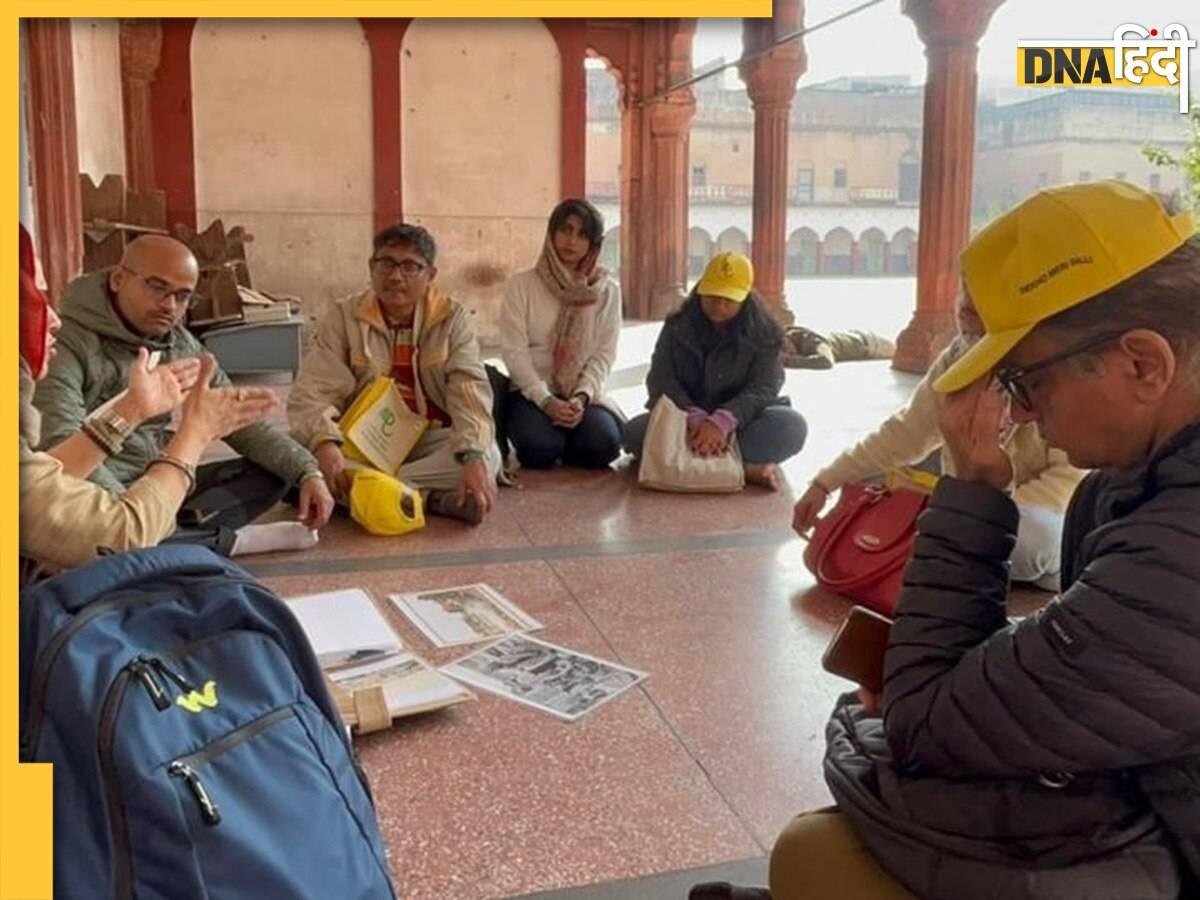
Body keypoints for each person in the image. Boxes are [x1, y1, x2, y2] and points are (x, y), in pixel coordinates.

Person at [764, 181, 1200, 899]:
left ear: (1143, 365)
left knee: (820, 857)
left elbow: (925, 724)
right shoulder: (1130, 484)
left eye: (1025, 381)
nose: (1020, 415)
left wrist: (971, 487)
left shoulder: (1179, 553)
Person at [33, 235, 333, 554]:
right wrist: (129, 513)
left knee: (276, 471)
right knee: (106, 534)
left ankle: (173, 542)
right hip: (94, 490)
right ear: (119, 279)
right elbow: (59, 442)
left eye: (183, 296)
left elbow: (234, 416)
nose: (170, 306)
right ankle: (217, 542)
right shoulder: (65, 342)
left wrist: (307, 471)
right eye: (157, 287)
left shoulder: (178, 342)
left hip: (158, 476)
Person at [792, 293, 1084, 590]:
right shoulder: (959, 356)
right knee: (874, 488)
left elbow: (1068, 482)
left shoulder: (1050, 363)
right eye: (965, 295)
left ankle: (960, 556)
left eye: (979, 297)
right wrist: (825, 482)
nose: (966, 308)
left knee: (1032, 542)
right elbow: (905, 434)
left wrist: (984, 516)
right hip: (971, 512)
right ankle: (954, 555)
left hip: (1034, 517)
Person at [287, 224, 500, 525]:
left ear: (431, 275)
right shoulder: (344, 316)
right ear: (371, 267)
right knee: (300, 457)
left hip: (429, 437)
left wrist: (472, 456)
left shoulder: (452, 319)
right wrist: (325, 443)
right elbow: (314, 389)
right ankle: (428, 498)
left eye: (410, 266)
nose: (396, 276)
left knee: (487, 455)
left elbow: (469, 389)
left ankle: (374, 490)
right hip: (363, 443)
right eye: (386, 263)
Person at [623, 252, 807, 491]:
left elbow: (764, 387)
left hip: (740, 425)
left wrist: (723, 421)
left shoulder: (764, 333)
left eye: (728, 300)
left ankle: (694, 465)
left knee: (791, 426)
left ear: (745, 299)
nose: (719, 306)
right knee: (633, 433)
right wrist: (694, 418)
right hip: (685, 420)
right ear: (700, 291)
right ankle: (742, 469)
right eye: (712, 297)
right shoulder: (677, 327)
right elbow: (661, 379)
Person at [498, 199, 623, 470]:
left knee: (603, 446)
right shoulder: (522, 286)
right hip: (531, 392)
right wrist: (546, 401)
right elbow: (514, 352)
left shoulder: (606, 291)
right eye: (565, 230)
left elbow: (604, 353)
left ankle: (570, 433)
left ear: (594, 244)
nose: (571, 241)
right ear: (551, 233)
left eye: (582, 234)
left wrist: (581, 397)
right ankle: (549, 434)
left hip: (581, 394)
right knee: (539, 450)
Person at [781, 326, 895, 370]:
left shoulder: (812, 340)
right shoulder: (790, 340)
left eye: (785, 348)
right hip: (856, 339)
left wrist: (787, 360)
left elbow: (826, 362)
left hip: (872, 344)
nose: (788, 352)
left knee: (906, 355)